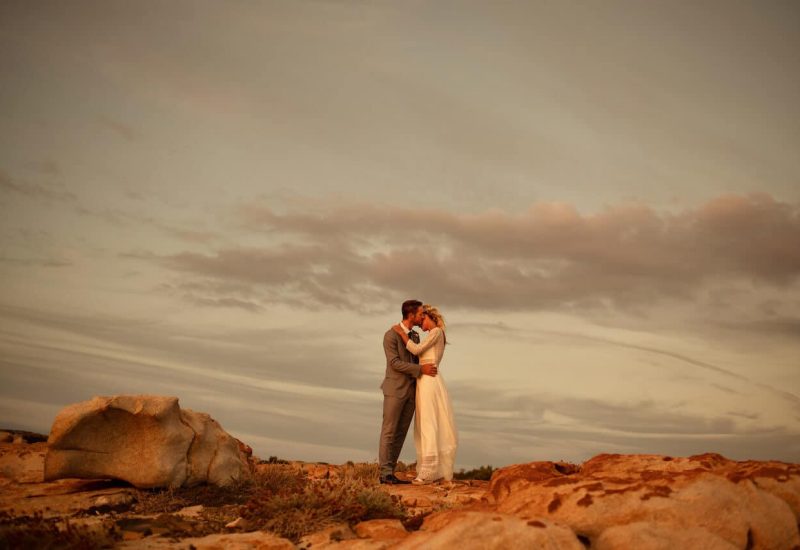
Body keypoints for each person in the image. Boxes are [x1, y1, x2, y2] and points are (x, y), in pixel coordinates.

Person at [392, 304, 457, 484]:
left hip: (429, 381)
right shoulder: (433, 334)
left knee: (428, 421)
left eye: (423, 319)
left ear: (430, 317)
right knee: (424, 422)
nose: (420, 323)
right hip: (425, 380)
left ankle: (428, 471)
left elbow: (416, 350)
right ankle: (429, 467)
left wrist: (401, 333)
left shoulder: (436, 332)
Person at [378, 300, 438, 484]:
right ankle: (384, 474)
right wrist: (421, 370)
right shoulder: (390, 335)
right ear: (411, 315)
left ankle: (391, 472)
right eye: (420, 314)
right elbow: (394, 363)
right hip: (395, 390)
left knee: (401, 433)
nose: (422, 316)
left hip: (412, 392)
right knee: (389, 431)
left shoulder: (416, 336)